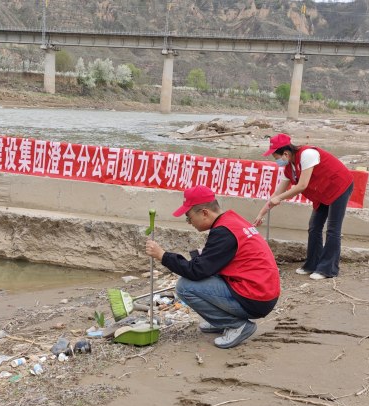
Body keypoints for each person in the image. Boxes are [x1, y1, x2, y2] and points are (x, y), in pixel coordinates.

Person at [145, 185, 280, 349]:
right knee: (204, 276)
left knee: (185, 287)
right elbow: (212, 261)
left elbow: (196, 272)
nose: (189, 222)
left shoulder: (223, 233)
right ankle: (221, 321)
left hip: (255, 297)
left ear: (204, 213)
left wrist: (163, 256)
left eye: (189, 217)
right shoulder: (232, 220)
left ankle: (236, 324)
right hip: (262, 291)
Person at [254, 133, 355, 280]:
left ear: (286, 153)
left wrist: (280, 198)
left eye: (276, 158)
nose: (277, 162)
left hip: (339, 186)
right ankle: (312, 264)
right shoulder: (289, 168)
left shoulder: (307, 154)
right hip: (322, 193)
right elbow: (276, 194)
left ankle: (328, 269)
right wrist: (260, 214)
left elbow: (302, 185)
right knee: (314, 226)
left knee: (333, 228)